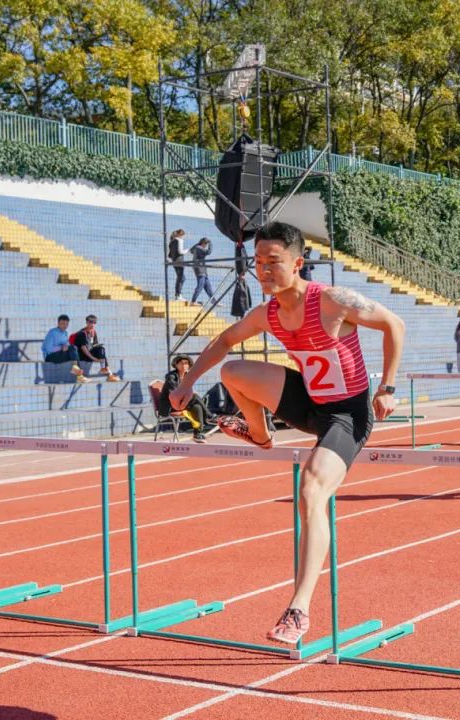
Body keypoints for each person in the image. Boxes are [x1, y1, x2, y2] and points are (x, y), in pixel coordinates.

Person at [168, 221, 405, 646]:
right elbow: (224, 340)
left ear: (297, 264)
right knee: (232, 369)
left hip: (346, 414)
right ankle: (260, 435)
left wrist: (386, 387)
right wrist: (188, 384)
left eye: (272, 262)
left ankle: (299, 609)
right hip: (308, 402)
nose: (263, 271)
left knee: (311, 490)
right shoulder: (268, 313)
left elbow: (394, 325)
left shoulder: (332, 301)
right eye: (257, 262)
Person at [158, 356, 211, 442]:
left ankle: (197, 433)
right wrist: (190, 395)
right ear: (176, 365)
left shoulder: (187, 377)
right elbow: (176, 394)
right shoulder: (171, 377)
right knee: (195, 397)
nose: (184, 365)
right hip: (170, 406)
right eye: (181, 363)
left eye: (186, 363)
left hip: (181, 403)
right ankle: (209, 416)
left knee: (197, 406)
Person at [71, 315, 120, 381]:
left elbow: (94, 345)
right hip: (82, 355)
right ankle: (80, 377)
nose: (93, 324)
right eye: (91, 322)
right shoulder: (81, 333)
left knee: (101, 349)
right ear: (87, 322)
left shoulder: (93, 332)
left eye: (94, 322)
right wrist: (94, 358)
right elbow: (84, 349)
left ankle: (108, 373)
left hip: (90, 352)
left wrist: (98, 347)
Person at [42, 314, 86, 382]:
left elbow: (67, 345)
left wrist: (67, 346)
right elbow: (48, 348)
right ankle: (78, 373)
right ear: (58, 323)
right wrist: (61, 348)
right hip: (50, 356)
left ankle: (78, 373)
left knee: (74, 349)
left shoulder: (65, 333)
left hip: (60, 355)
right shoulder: (52, 332)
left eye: (66, 324)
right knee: (73, 350)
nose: (65, 326)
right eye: (63, 323)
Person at [189, 237, 214, 305]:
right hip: (199, 268)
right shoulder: (199, 248)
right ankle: (193, 301)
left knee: (208, 286)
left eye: (207, 244)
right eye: (205, 243)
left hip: (202, 269)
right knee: (201, 284)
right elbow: (208, 252)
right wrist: (210, 243)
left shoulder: (197, 247)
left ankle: (213, 300)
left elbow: (191, 250)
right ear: (203, 243)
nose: (206, 245)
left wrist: (199, 243)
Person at [168, 229, 187, 302]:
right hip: (179, 262)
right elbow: (180, 251)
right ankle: (178, 295)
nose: (183, 237)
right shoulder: (179, 240)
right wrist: (187, 250)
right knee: (181, 278)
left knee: (181, 278)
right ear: (181, 235)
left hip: (174, 261)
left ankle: (178, 295)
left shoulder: (172, 241)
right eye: (183, 236)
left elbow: (170, 255)